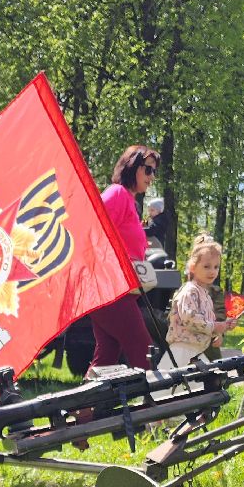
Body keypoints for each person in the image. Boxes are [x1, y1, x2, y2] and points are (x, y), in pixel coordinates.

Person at [87, 145, 161, 372]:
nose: (152, 177)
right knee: (144, 351)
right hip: (111, 292)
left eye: (155, 172)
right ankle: (159, 404)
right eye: (148, 170)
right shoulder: (117, 194)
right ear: (132, 167)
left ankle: (82, 409)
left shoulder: (130, 201)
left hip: (116, 292)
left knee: (107, 357)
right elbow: (93, 230)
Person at [160, 234, 237, 371]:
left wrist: (221, 328)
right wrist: (214, 327)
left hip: (196, 352)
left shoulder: (204, 293)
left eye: (216, 267)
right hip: (182, 350)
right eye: (206, 266)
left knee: (203, 386)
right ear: (193, 267)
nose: (212, 271)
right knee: (165, 389)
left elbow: (205, 322)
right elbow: (190, 319)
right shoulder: (190, 291)